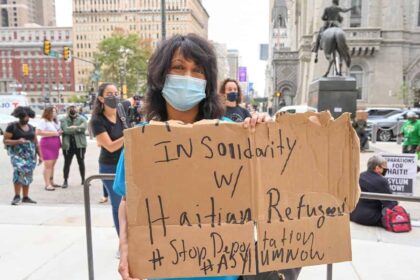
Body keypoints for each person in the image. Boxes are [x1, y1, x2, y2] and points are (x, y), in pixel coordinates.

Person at [112, 34, 268, 280]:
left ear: (207, 81)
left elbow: (265, 188)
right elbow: (127, 201)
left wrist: (263, 136)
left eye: (198, 70)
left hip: (222, 272)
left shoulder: (231, 135)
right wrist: (124, 248)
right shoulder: (141, 141)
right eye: (178, 67)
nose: (188, 77)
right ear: (160, 77)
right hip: (159, 271)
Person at [90, 82, 128, 236]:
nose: (114, 97)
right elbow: (110, 146)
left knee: (132, 206)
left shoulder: (122, 111)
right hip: (110, 167)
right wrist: (129, 136)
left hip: (127, 163)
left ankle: (133, 241)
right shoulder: (97, 120)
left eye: (116, 93)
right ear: (101, 98)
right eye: (109, 94)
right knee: (118, 204)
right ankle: (122, 242)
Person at [3, 106, 41, 205]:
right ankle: (16, 196)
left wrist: (40, 155)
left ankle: (25, 196)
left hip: (30, 155)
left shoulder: (32, 127)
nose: (25, 119)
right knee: (19, 172)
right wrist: (18, 141)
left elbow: (36, 142)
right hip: (17, 154)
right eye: (23, 117)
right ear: (19, 117)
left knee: (28, 173)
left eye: (27, 117)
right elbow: (5, 141)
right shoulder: (12, 126)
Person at [350, 155, 398, 227]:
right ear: (377, 168)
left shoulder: (360, 175)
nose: (386, 169)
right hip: (369, 217)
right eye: (385, 167)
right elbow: (391, 202)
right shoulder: (381, 181)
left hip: (353, 215)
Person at [61, 105, 88, 188]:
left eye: (74, 108)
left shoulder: (82, 118)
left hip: (80, 145)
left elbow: (84, 128)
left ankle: (83, 180)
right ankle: (65, 180)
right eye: (70, 108)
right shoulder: (64, 119)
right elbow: (65, 130)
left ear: (77, 109)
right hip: (68, 145)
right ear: (67, 110)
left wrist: (74, 127)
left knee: (81, 162)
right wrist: (78, 129)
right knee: (67, 163)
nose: (72, 109)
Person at [36, 106, 62, 191]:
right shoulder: (43, 121)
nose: (54, 113)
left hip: (55, 144)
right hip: (47, 144)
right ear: (47, 112)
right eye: (53, 112)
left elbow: (57, 132)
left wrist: (58, 133)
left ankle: (52, 182)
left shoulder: (53, 121)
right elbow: (38, 132)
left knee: (52, 165)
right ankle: (47, 184)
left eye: (55, 112)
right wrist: (54, 133)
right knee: (48, 166)